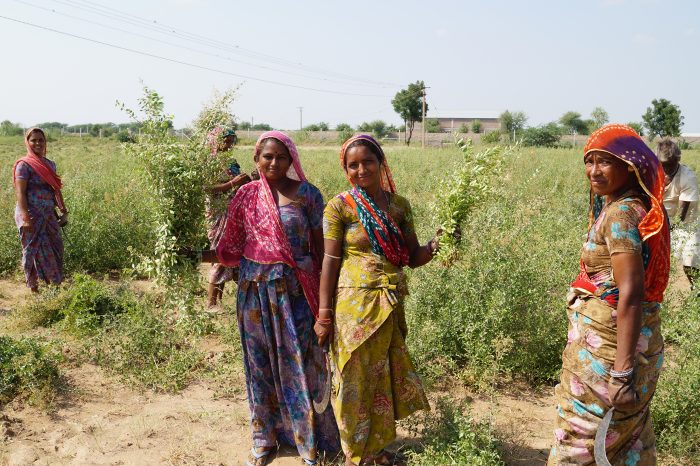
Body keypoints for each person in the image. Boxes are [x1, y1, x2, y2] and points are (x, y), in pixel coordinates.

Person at [548, 124, 670, 466]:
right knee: (625, 438)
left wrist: (621, 373)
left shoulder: (620, 214)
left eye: (605, 162)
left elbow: (630, 293)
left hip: (611, 350)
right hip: (630, 339)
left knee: (582, 438)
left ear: (629, 167)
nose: (594, 170)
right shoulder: (633, 206)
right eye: (590, 161)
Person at [215, 131, 339, 466]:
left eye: (280, 157)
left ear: (291, 160)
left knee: (301, 364)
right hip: (254, 295)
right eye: (267, 156)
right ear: (256, 159)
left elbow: (320, 248)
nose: (273, 163)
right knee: (260, 366)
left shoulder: (308, 195)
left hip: (296, 294)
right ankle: (265, 438)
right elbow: (231, 245)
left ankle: (310, 441)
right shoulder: (245, 196)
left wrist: (324, 300)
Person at [317, 134, 439, 466]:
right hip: (353, 307)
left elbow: (412, 257)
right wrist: (324, 313)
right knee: (353, 375)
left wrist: (437, 244)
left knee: (381, 375)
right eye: (352, 165)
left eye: (367, 162)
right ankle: (356, 454)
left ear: (380, 163)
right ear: (346, 169)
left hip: (389, 303)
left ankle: (376, 449)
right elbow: (330, 261)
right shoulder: (339, 206)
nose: (360, 170)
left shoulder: (399, 206)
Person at [12, 127, 68, 292]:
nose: (37, 143)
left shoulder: (50, 164)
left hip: (49, 215)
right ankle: (34, 288)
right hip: (30, 215)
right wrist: (25, 217)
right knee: (32, 250)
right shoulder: (23, 165)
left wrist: (63, 210)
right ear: (27, 143)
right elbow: (20, 193)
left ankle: (53, 284)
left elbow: (55, 189)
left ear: (45, 142)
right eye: (33, 140)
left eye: (40, 140)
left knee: (56, 247)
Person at [204, 126, 251, 308]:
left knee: (234, 253)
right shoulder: (209, 162)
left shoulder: (230, 161)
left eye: (232, 142)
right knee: (220, 254)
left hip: (234, 211)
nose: (229, 146)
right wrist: (233, 183)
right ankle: (211, 303)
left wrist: (247, 180)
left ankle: (220, 302)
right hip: (218, 213)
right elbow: (207, 188)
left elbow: (238, 183)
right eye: (226, 142)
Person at [657, 138, 700, 287]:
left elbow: (681, 214)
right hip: (663, 221)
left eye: (670, 164)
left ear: (677, 160)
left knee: (690, 261)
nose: (666, 168)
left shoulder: (687, 177)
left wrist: (665, 229)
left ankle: (696, 290)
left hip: (686, 225)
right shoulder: (655, 172)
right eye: (663, 165)